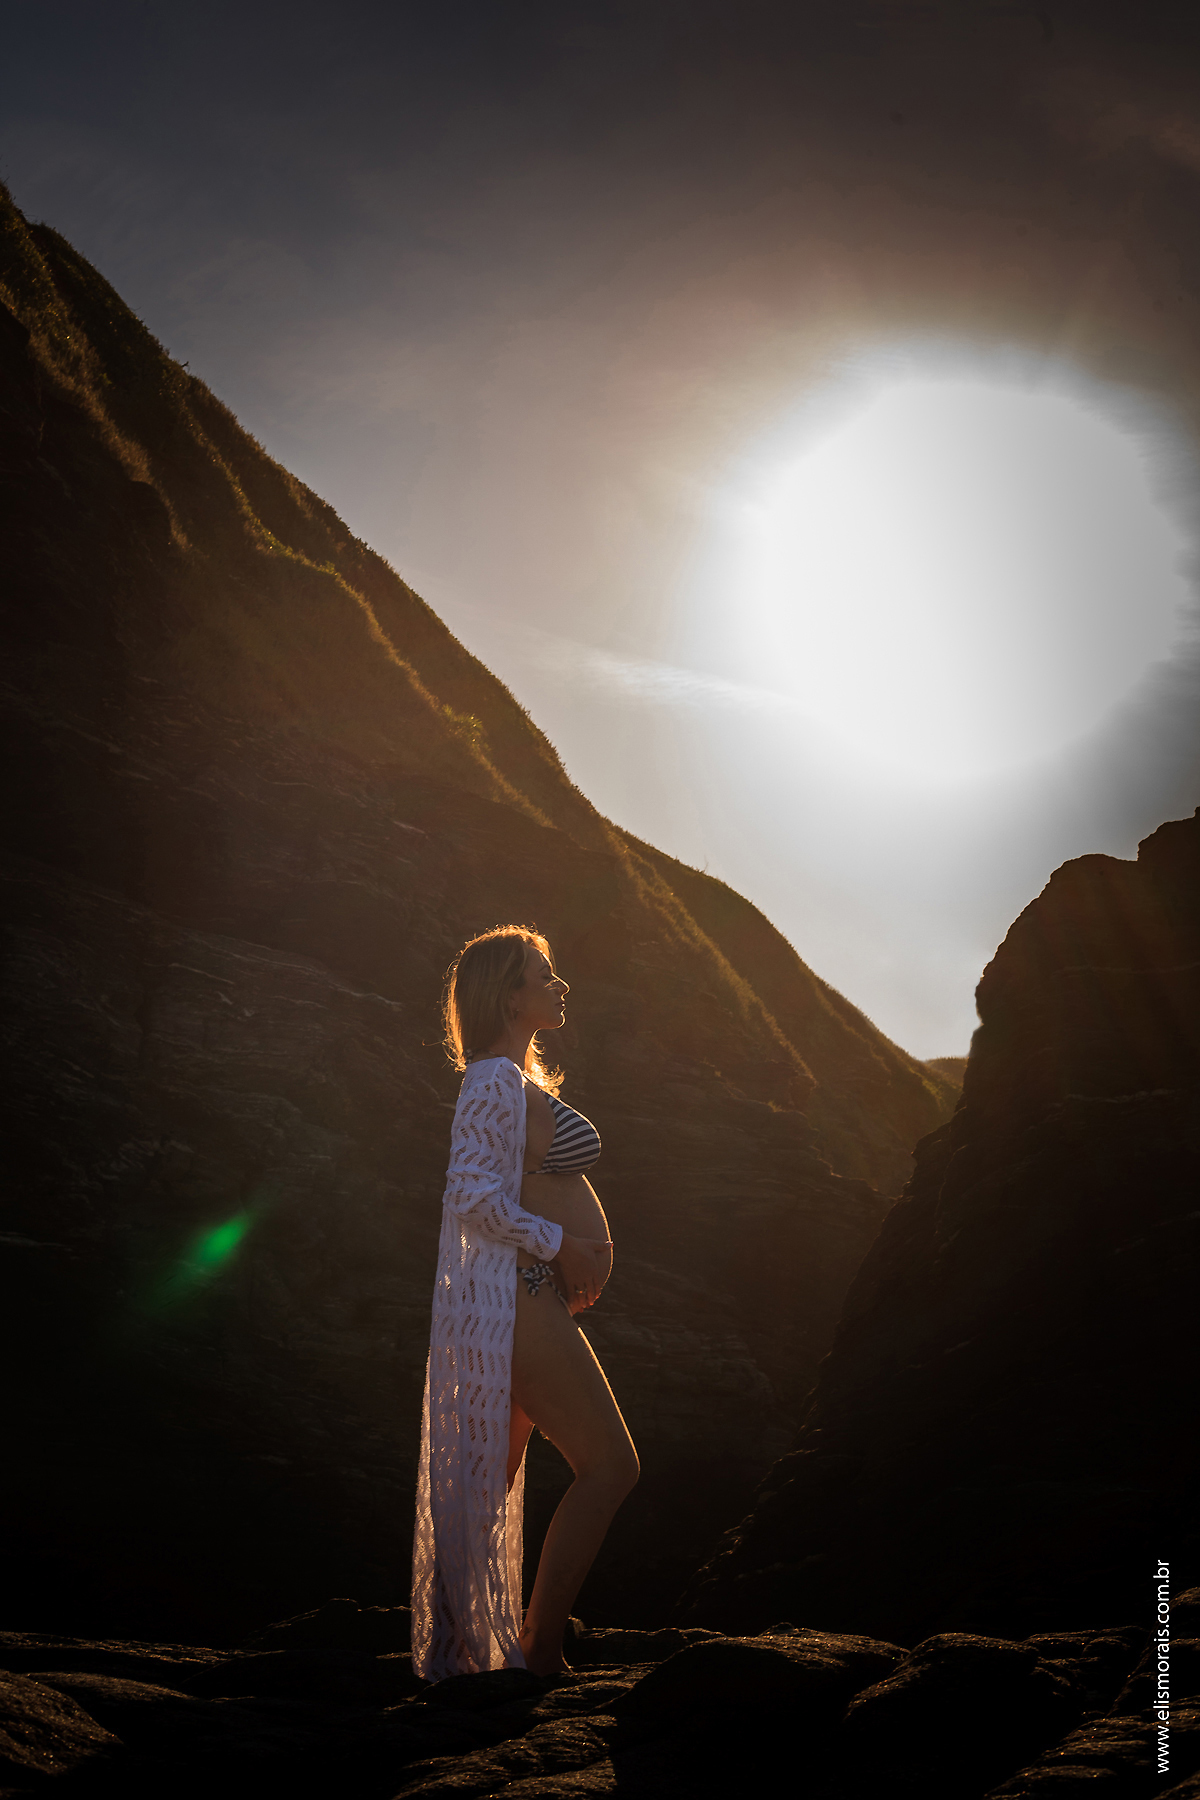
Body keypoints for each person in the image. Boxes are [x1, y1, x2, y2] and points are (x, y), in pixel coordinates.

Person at [411, 925, 639, 1680]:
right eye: (544, 975)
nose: (559, 985)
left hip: (530, 1298)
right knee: (610, 1465)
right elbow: (470, 1194)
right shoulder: (491, 1081)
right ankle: (538, 1650)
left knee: (490, 1482)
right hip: (519, 1298)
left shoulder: (511, 1079)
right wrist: (561, 1245)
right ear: (509, 997)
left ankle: (461, 1652)